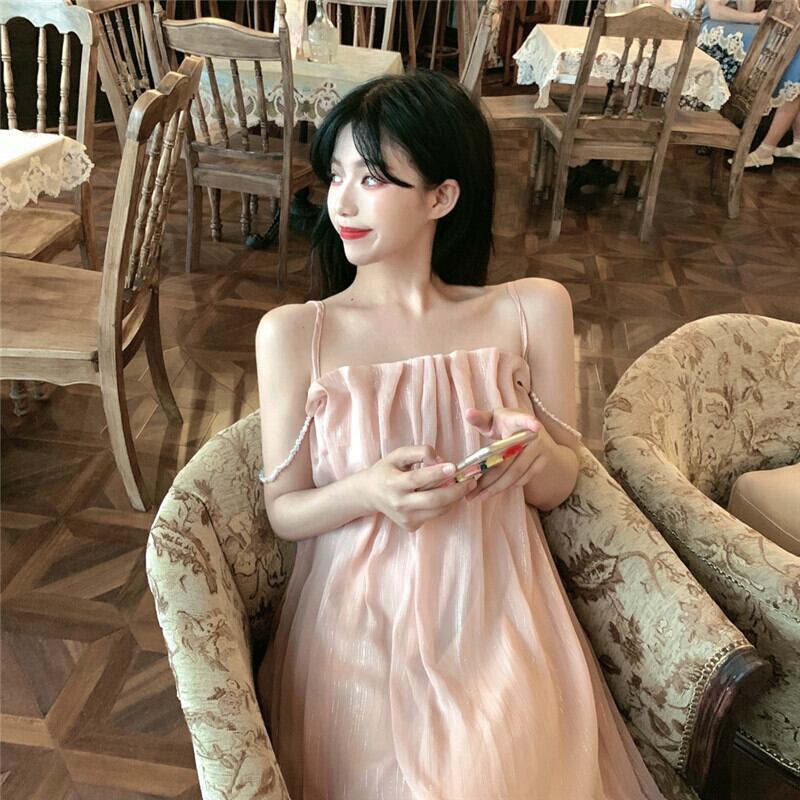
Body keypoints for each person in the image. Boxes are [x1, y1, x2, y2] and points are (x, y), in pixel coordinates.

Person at [254, 69, 665, 799]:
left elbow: (560, 483)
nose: (341, 202)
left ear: (442, 197)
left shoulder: (530, 310)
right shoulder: (295, 334)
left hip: (500, 603)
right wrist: (367, 491)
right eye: (337, 174)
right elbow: (284, 511)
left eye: (372, 178)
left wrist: (533, 457)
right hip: (359, 616)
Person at [700, 0, 800, 167]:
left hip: (751, 26)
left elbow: (747, 9)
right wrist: (756, 17)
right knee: (793, 58)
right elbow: (715, 12)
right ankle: (771, 148)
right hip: (715, 28)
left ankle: (773, 148)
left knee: (795, 59)